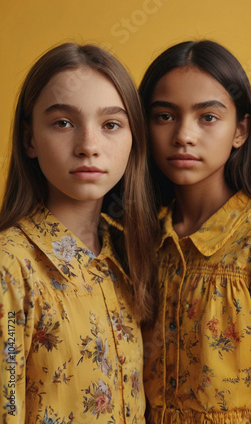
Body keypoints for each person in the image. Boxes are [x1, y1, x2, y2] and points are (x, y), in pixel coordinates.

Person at [0, 42, 158, 423]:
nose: (89, 146)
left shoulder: (129, 254)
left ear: (133, 138)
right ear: (29, 140)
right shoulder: (10, 267)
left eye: (111, 125)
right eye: (63, 123)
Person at [139, 40, 251, 423]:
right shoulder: (143, 243)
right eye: (164, 116)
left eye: (208, 117)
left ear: (241, 130)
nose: (184, 134)